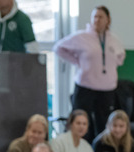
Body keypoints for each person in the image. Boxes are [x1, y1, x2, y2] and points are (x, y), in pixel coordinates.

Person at [53, 5, 125, 141]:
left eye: (100, 17)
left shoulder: (114, 40)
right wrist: (77, 61)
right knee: (81, 122)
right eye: (94, 17)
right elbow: (58, 48)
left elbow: (121, 57)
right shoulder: (82, 37)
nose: (97, 20)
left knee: (103, 125)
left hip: (107, 89)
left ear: (108, 20)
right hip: (86, 86)